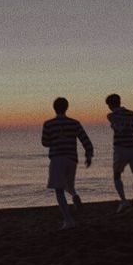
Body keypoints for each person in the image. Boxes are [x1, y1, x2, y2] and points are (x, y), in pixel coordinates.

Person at [41, 97, 93, 230]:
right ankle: (75, 197)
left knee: (59, 190)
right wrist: (88, 156)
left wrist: (55, 139)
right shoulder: (74, 123)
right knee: (69, 185)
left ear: (54, 108)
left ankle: (68, 221)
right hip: (71, 159)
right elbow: (85, 140)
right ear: (66, 107)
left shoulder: (49, 124)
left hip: (57, 158)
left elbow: (45, 142)